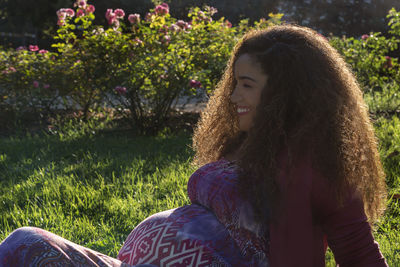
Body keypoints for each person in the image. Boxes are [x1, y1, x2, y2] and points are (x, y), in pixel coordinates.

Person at [0, 25, 388, 267]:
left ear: (285, 94)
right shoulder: (250, 144)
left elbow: (359, 253)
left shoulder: (315, 166)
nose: (233, 94)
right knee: (24, 245)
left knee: (22, 243)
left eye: (247, 84)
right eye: (234, 81)